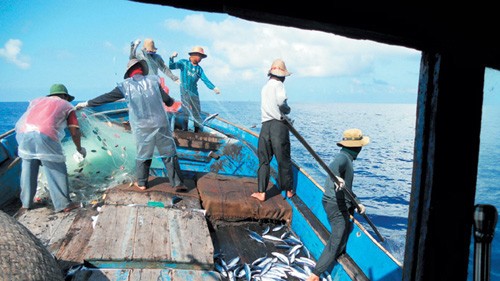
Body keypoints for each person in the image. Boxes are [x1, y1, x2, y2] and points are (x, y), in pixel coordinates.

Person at [75, 59, 185, 191]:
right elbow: (167, 100)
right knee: (168, 152)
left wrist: (86, 103)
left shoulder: (124, 86)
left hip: (142, 127)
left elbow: (106, 97)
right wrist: (170, 101)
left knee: (144, 153)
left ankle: (142, 183)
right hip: (160, 123)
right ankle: (178, 184)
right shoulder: (153, 81)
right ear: (142, 70)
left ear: (129, 73)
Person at [306, 128, 369, 281]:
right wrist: (336, 177)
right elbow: (333, 167)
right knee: (337, 238)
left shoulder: (347, 157)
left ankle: (337, 253)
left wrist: (358, 203)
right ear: (356, 147)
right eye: (360, 146)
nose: (361, 149)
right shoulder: (343, 158)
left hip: (336, 201)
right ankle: (315, 274)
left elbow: (348, 189)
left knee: (346, 227)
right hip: (335, 205)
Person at [15, 84, 85, 214]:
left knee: (28, 168)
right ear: (64, 96)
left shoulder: (37, 101)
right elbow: (74, 131)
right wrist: (79, 148)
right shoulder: (67, 106)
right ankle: (63, 204)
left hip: (24, 135)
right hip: (45, 136)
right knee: (56, 168)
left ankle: (25, 204)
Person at [251, 59, 294, 202]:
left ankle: (261, 192)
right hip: (278, 126)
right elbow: (281, 102)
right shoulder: (279, 85)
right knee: (283, 159)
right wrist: (287, 110)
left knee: (264, 161)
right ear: (282, 76)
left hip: (265, 127)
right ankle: (288, 190)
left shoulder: (265, 87)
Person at [168, 46, 220, 132]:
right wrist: (171, 58)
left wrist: (213, 88)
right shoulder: (184, 63)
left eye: (201, 57)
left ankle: (197, 130)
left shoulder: (199, 69)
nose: (200, 59)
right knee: (185, 111)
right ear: (193, 55)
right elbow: (171, 66)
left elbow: (205, 79)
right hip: (184, 92)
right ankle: (184, 129)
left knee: (196, 111)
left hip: (194, 93)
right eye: (199, 56)